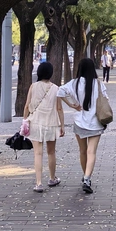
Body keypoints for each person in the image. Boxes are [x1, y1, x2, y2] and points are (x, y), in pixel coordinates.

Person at [58, 57, 108, 194]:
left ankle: (86, 175)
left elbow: (60, 91)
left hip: (79, 122)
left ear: (79, 68)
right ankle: (87, 178)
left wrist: (71, 105)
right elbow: (106, 99)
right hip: (96, 122)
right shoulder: (98, 84)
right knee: (92, 152)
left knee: (82, 151)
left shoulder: (74, 83)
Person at [23, 61, 65, 193]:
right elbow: (59, 108)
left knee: (38, 153)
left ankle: (39, 183)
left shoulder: (33, 86)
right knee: (51, 152)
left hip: (35, 123)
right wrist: (62, 125)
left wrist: (24, 120)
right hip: (51, 123)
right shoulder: (56, 88)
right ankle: (52, 178)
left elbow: (27, 105)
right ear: (51, 73)